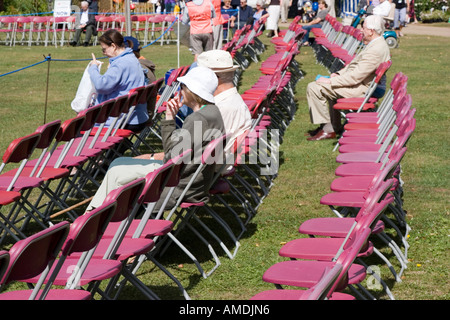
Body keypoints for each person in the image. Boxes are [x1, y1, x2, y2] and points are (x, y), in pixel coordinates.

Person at [86, 66, 226, 212]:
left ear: (192, 90)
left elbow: (170, 157)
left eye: (183, 87)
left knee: (116, 171)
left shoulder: (197, 119)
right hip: (191, 180)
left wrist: (169, 119)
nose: (180, 91)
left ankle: (94, 216)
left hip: (178, 184)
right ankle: (99, 211)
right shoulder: (213, 112)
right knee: (117, 162)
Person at [305, 14, 391, 141]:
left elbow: (355, 77)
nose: (361, 30)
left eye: (364, 28)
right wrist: (338, 75)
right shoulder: (376, 44)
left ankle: (327, 129)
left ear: (371, 31)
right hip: (362, 84)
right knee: (321, 86)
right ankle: (333, 126)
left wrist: (330, 81)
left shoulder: (376, 50)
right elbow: (354, 65)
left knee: (314, 87)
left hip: (362, 89)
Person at [89, 29, 149, 132]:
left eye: (104, 49)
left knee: (80, 130)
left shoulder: (120, 64)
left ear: (113, 46)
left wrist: (93, 68)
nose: (104, 53)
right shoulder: (132, 58)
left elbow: (101, 86)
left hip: (122, 119)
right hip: (136, 115)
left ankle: (109, 148)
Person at [197, 49, 252, 160]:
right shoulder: (231, 100)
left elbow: (197, 151)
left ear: (212, 77)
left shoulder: (221, 108)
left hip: (207, 166)